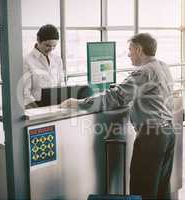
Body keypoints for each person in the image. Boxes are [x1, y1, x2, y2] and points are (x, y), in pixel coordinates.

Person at [61, 33, 175, 199]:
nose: (128, 54)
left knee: (142, 188)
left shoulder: (144, 71)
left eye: (130, 50)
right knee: (161, 189)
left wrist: (79, 103)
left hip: (152, 135)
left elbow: (116, 97)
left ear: (138, 49)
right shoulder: (162, 66)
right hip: (168, 132)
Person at [23, 24, 64, 109]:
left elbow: (60, 85)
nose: (51, 49)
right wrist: (38, 111)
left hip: (56, 107)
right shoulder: (27, 60)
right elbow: (25, 93)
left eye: (54, 46)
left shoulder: (57, 60)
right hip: (36, 108)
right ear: (38, 40)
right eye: (47, 45)